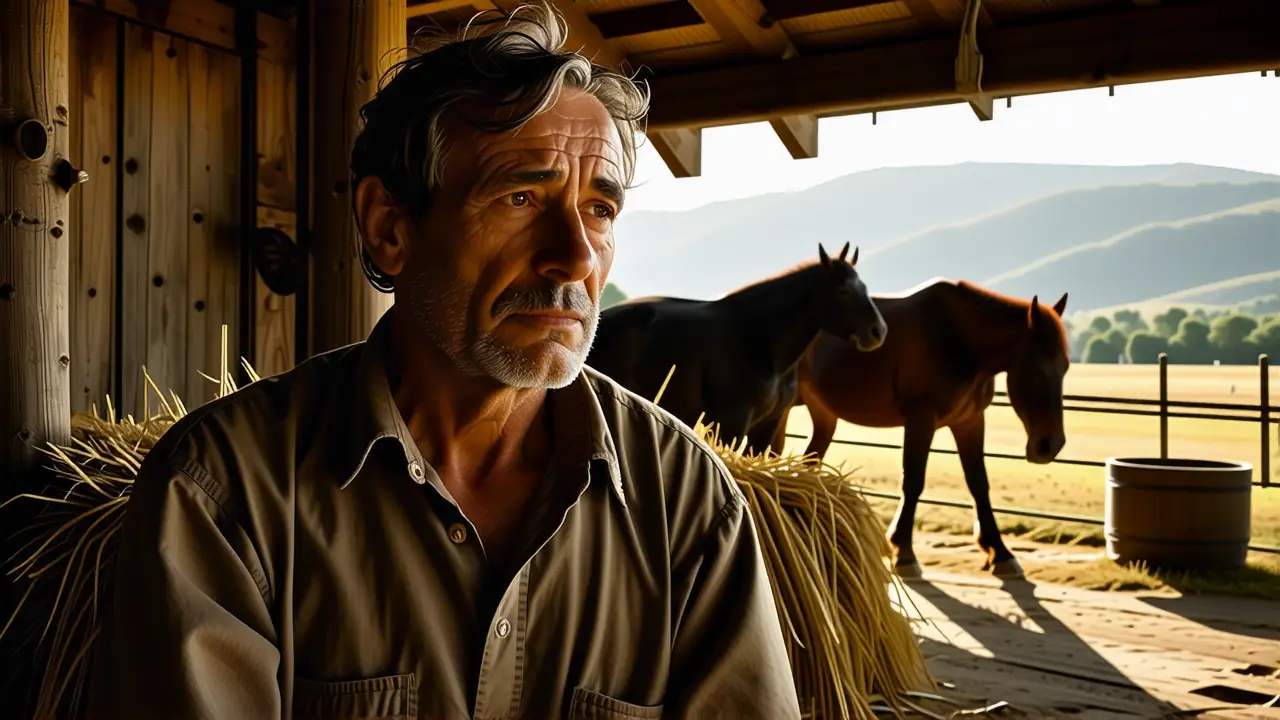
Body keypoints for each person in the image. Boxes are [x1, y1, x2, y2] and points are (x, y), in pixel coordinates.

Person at [86, 3, 800, 718]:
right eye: (522, 196)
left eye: (600, 209)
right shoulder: (224, 489)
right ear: (391, 228)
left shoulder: (686, 502)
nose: (578, 257)